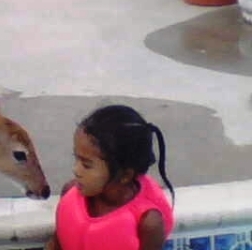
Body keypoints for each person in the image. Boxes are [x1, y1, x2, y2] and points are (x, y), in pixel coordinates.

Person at [45, 104, 175, 250]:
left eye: (87, 165)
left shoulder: (148, 224)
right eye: (76, 159)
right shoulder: (69, 191)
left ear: (125, 175)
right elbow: (56, 244)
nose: (76, 170)